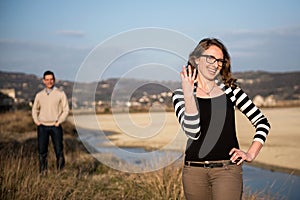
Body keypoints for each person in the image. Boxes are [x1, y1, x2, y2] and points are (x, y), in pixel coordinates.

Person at [172, 38, 270, 200]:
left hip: (227, 171)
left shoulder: (232, 91)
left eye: (220, 61)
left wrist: (251, 154)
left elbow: (262, 123)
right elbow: (193, 132)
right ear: (196, 59)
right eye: (210, 58)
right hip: (194, 172)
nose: (215, 64)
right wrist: (189, 93)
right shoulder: (180, 95)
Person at [32, 70, 69, 174]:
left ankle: (60, 173)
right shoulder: (39, 95)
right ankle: (43, 173)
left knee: (59, 151)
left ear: (54, 80)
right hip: (42, 126)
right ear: (43, 81)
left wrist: (59, 121)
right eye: (47, 80)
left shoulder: (60, 94)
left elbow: (66, 110)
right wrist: (37, 121)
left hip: (55, 126)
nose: (49, 81)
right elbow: (35, 109)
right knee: (42, 152)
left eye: (51, 79)